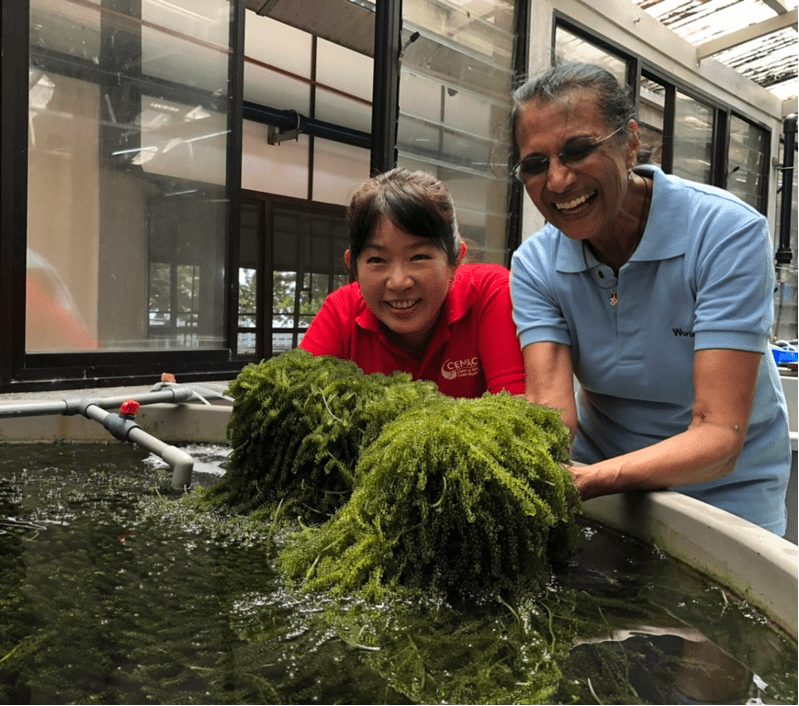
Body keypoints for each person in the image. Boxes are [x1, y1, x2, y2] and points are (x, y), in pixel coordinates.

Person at [508, 62, 790, 535]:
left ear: (630, 141)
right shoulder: (535, 264)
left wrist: (594, 479)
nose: (557, 181)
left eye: (578, 150)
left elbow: (719, 433)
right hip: (605, 494)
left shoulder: (724, 233)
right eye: (536, 164)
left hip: (727, 497)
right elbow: (550, 413)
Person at [299, 167, 526, 399]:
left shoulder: (489, 291)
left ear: (455, 260)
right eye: (377, 260)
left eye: (419, 257)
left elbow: (520, 414)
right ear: (353, 267)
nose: (398, 282)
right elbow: (292, 400)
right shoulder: (341, 311)